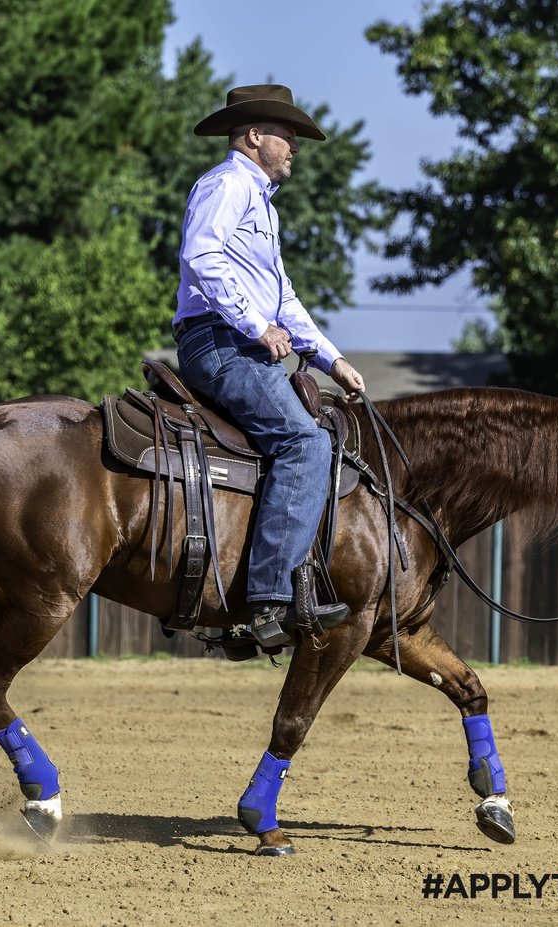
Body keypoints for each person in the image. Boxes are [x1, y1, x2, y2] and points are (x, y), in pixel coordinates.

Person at [173, 84, 365, 648]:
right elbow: (200, 253)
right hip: (221, 344)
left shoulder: (261, 205)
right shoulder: (227, 183)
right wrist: (254, 326)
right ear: (255, 135)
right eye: (288, 136)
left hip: (236, 343)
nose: (295, 148)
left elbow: (284, 301)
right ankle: (268, 603)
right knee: (307, 445)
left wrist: (332, 359)